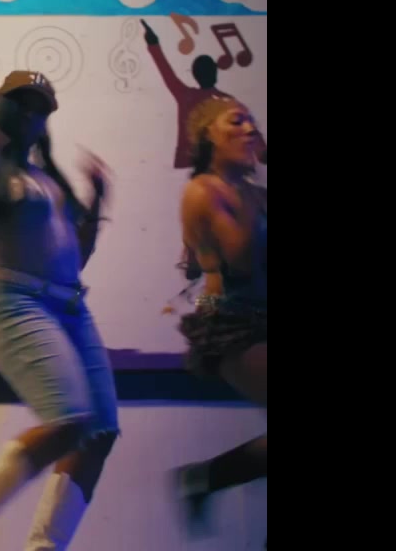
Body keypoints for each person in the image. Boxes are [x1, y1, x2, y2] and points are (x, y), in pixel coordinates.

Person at [0, 71, 117, 551]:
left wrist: (96, 200)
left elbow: (77, 258)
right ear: (3, 110)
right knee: (69, 419)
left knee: (100, 431)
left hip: (69, 305)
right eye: (23, 106)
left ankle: (44, 546)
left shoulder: (45, 177)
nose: (32, 117)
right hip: (13, 299)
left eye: (41, 110)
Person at [171, 96, 267, 542]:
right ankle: (206, 477)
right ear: (208, 134)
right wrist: (254, 187)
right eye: (237, 121)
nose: (250, 129)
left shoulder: (252, 192)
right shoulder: (203, 191)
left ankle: (205, 478)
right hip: (233, 325)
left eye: (253, 122)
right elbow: (242, 259)